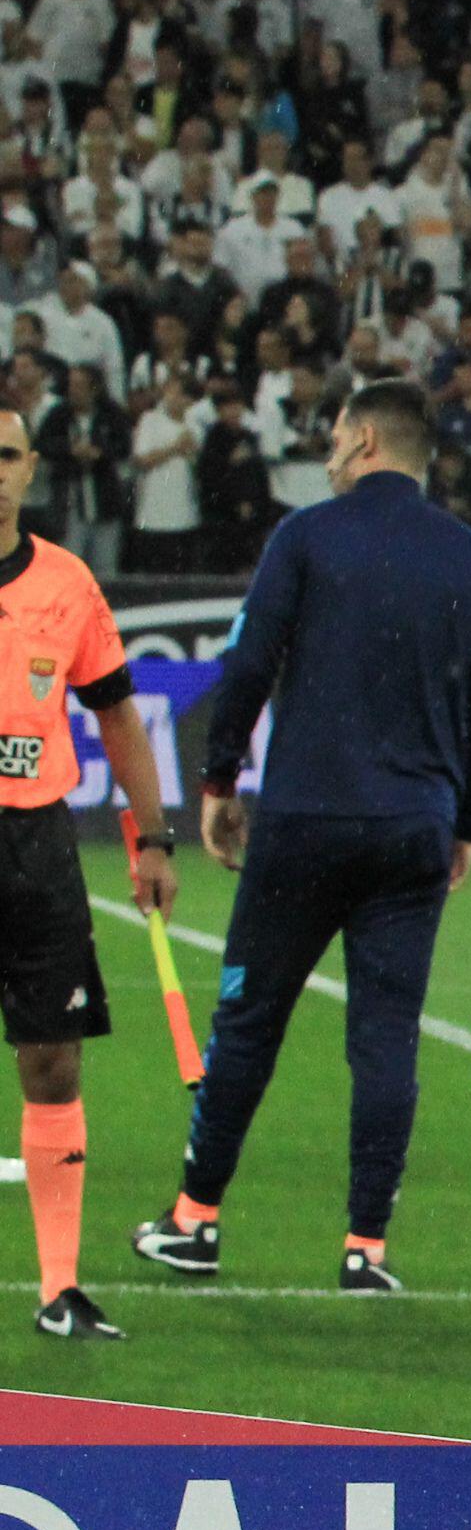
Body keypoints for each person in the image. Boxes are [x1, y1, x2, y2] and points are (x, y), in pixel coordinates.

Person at [138, 379, 471, 1291]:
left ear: (361, 440)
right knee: (385, 1038)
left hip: (306, 819)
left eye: (336, 436)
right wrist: (466, 821)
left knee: (249, 1021)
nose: (328, 451)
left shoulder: (306, 536)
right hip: (413, 827)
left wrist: (220, 778)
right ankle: (366, 1247)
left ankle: (195, 1218)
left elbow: (251, 659)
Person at [0, 408, 177, 1339]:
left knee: (54, 1057)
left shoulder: (67, 583)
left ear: (30, 468)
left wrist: (152, 838)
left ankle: (57, 1287)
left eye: (5, 454)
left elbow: (116, 714)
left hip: (35, 848)